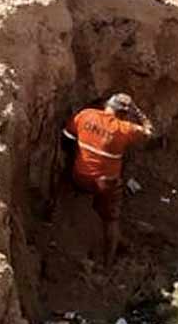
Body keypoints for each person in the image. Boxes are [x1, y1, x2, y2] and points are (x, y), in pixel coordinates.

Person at [63, 94, 156, 267]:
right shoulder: (124, 128)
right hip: (106, 184)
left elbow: (67, 136)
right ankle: (109, 261)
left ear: (106, 104)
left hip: (79, 178)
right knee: (111, 219)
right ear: (124, 114)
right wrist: (137, 111)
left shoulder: (85, 115)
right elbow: (149, 132)